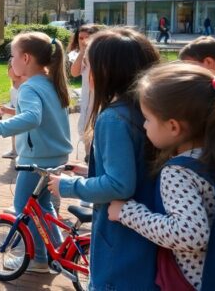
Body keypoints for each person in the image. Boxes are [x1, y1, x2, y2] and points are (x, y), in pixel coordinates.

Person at [48, 28, 161, 290]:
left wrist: (67, 186)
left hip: (119, 241)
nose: (87, 73)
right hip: (143, 237)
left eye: (88, 65)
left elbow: (120, 185)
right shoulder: (143, 109)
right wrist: (89, 171)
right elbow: (132, 168)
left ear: (107, 71)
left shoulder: (113, 117)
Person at [107, 64, 215, 291]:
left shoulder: (179, 171)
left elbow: (191, 235)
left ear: (173, 127)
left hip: (194, 281)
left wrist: (127, 213)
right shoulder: (213, 155)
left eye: (148, 119)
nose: (143, 125)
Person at [0, 32, 72, 274]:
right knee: (44, 207)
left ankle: (40, 258)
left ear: (26, 58)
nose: (11, 60)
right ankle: (57, 254)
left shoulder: (29, 87)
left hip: (36, 161)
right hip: (56, 156)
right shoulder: (52, 81)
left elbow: (32, 118)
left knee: (23, 207)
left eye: (13, 55)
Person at [68, 24, 103, 161]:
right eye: (80, 38)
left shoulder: (101, 55)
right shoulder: (81, 56)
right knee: (85, 126)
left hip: (99, 98)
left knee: (97, 126)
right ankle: (88, 156)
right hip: (87, 100)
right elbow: (74, 72)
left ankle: (95, 156)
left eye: (87, 38)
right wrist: (82, 51)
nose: (83, 41)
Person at [0, 59, 23, 159]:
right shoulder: (13, 86)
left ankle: (20, 153)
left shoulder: (25, 87)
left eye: (11, 67)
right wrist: (3, 109)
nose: (9, 70)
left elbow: (24, 111)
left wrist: (6, 110)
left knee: (21, 136)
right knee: (14, 134)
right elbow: (13, 103)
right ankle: (14, 151)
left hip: (22, 118)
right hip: (16, 116)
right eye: (9, 67)